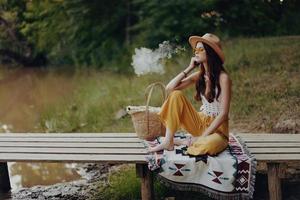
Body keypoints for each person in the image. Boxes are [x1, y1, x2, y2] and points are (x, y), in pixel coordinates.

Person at [149, 33, 232, 156]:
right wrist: (189, 68)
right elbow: (170, 88)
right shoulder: (199, 75)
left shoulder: (223, 78)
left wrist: (202, 137)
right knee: (176, 95)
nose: (196, 52)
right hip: (199, 122)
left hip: (218, 130)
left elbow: (224, 114)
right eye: (195, 49)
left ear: (210, 53)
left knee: (207, 146)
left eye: (201, 49)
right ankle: (168, 141)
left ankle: (187, 142)